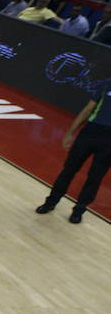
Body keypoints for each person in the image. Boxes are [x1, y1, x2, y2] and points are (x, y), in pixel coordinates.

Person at [36, 87, 111, 223]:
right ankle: (51, 202)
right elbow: (88, 109)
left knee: (95, 177)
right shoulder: (106, 84)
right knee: (68, 170)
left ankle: (79, 210)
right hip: (91, 132)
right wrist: (70, 132)